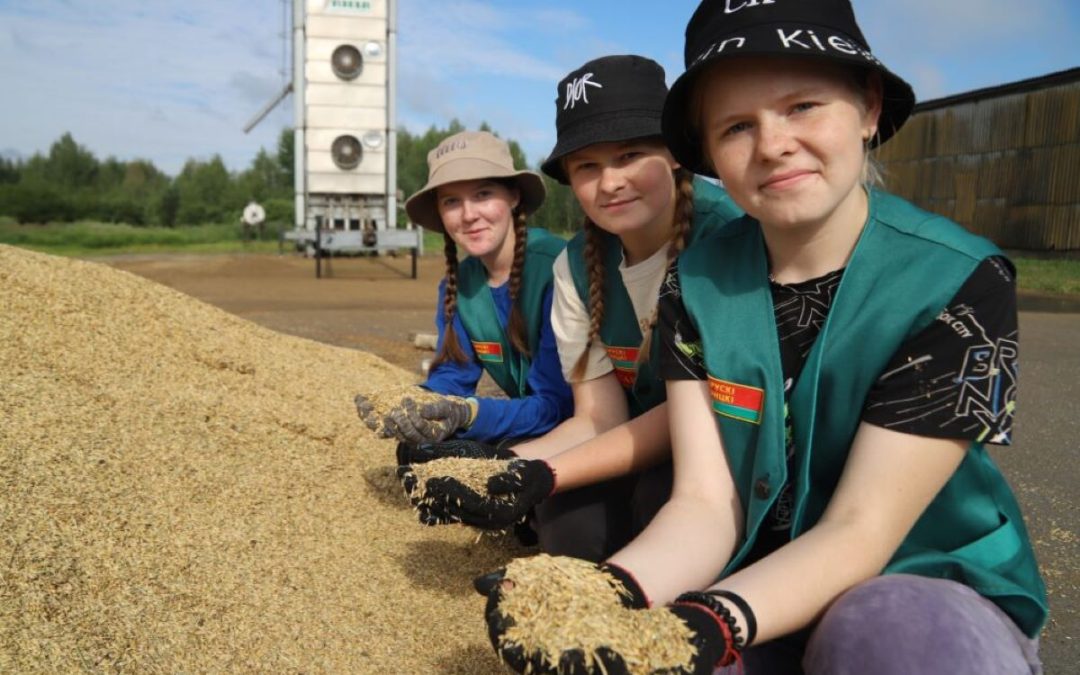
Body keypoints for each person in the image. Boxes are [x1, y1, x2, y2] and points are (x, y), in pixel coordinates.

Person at [474, 2, 1048, 673]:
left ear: (867, 108)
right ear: (711, 153)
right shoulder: (695, 286)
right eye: (738, 125)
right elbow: (705, 504)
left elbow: (861, 529)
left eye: (802, 106)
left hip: (921, 585)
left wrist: (707, 619)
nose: (773, 144)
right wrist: (609, 590)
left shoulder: (954, 283)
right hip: (759, 568)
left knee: (883, 630)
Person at [402, 55, 742, 562]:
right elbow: (597, 418)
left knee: (652, 498)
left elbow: (701, 412)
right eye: (588, 165)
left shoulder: (731, 243)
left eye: (629, 155)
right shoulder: (578, 267)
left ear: (674, 151)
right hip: (630, 440)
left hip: (731, 453)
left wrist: (530, 467)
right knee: (567, 522)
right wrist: (496, 468)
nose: (610, 183)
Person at [355, 131, 573, 445]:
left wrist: (467, 413)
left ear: (514, 197)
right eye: (452, 201)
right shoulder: (459, 285)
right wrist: (416, 402)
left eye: (483, 194)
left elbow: (557, 405)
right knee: (418, 452)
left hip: (579, 429)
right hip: (530, 421)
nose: (469, 215)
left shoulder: (556, 270)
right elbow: (454, 376)